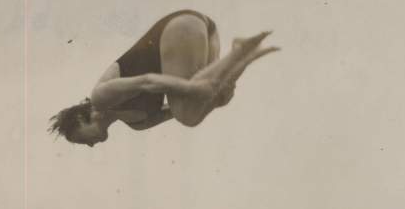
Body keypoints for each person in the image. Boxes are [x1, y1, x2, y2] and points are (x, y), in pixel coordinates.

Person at [49, 10, 279, 145]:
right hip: (205, 32)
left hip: (177, 29)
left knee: (190, 106)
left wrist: (194, 89)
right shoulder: (139, 123)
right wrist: (215, 98)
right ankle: (243, 58)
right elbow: (190, 109)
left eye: (82, 140)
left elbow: (146, 81)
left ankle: (238, 53)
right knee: (203, 107)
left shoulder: (101, 97)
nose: (90, 146)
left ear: (79, 120)